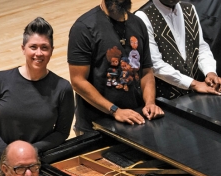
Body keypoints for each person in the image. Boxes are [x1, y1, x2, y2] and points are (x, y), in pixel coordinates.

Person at [0, 17, 74, 176]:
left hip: (34, 173)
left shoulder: (62, 88)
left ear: (51, 50)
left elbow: (61, 132)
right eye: (33, 47)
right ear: (23, 49)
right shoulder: (2, 79)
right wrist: (8, 154)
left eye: (44, 48)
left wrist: (31, 152)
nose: (38, 53)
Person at [69, 0, 164, 132]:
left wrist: (150, 103)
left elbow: (146, 71)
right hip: (96, 126)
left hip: (135, 119)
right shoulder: (83, 27)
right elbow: (78, 81)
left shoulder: (138, 24)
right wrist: (115, 110)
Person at [135, 0, 221, 100]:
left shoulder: (189, 8)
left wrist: (210, 72)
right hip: (165, 101)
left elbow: (201, 47)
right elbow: (155, 64)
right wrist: (194, 84)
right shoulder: (142, 17)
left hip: (195, 96)